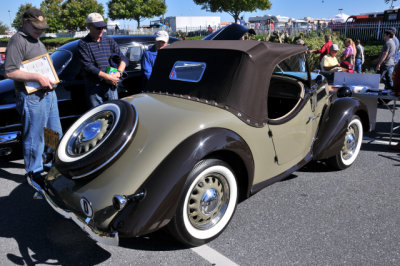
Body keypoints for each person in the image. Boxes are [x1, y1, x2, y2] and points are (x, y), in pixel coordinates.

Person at [4, 8, 62, 180]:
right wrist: (37, 77)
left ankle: (51, 163)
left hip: (48, 94)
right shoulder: (17, 41)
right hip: (31, 97)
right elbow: (10, 72)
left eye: (42, 27)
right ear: (25, 22)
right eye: (37, 27)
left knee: (53, 133)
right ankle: (34, 172)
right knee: (35, 136)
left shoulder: (36, 40)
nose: (40, 31)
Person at [78, 13, 128, 108]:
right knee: (97, 115)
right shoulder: (83, 44)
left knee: (114, 113)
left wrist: (118, 73)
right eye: (98, 27)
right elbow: (88, 66)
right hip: (94, 87)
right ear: (89, 26)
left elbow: (123, 58)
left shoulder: (109, 40)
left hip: (111, 86)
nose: (101, 30)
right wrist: (108, 77)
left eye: (102, 27)